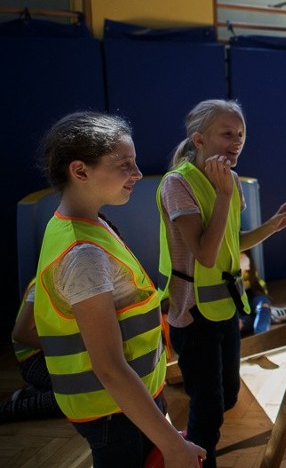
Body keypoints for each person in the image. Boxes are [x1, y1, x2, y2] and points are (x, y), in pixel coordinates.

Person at [33, 111, 205, 467]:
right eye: (125, 164)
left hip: (132, 403)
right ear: (80, 171)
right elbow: (109, 367)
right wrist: (173, 445)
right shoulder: (83, 255)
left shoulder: (86, 222)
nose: (138, 174)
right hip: (114, 413)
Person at [158, 99, 286, 467]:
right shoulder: (178, 184)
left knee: (227, 397)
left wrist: (273, 224)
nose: (237, 140)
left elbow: (229, 243)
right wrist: (224, 195)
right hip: (192, 314)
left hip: (225, 306)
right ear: (199, 138)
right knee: (207, 408)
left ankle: (189, 443)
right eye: (227, 133)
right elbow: (205, 255)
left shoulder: (231, 180)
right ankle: (193, 455)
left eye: (241, 134)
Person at [0, 279, 63, 423]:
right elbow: (20, 333)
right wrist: (66, 349)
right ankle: (10, 409)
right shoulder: (44, 284)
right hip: (34, 358)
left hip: (62, 356)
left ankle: (31, 394)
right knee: (78, 395)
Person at [238, 250, 286, 336]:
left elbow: (254, 283)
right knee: (236, 325)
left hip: (251, 293)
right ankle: (270, 315)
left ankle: (261, 335)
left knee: (263, 306)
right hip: (233, 301)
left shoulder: (243, 256)